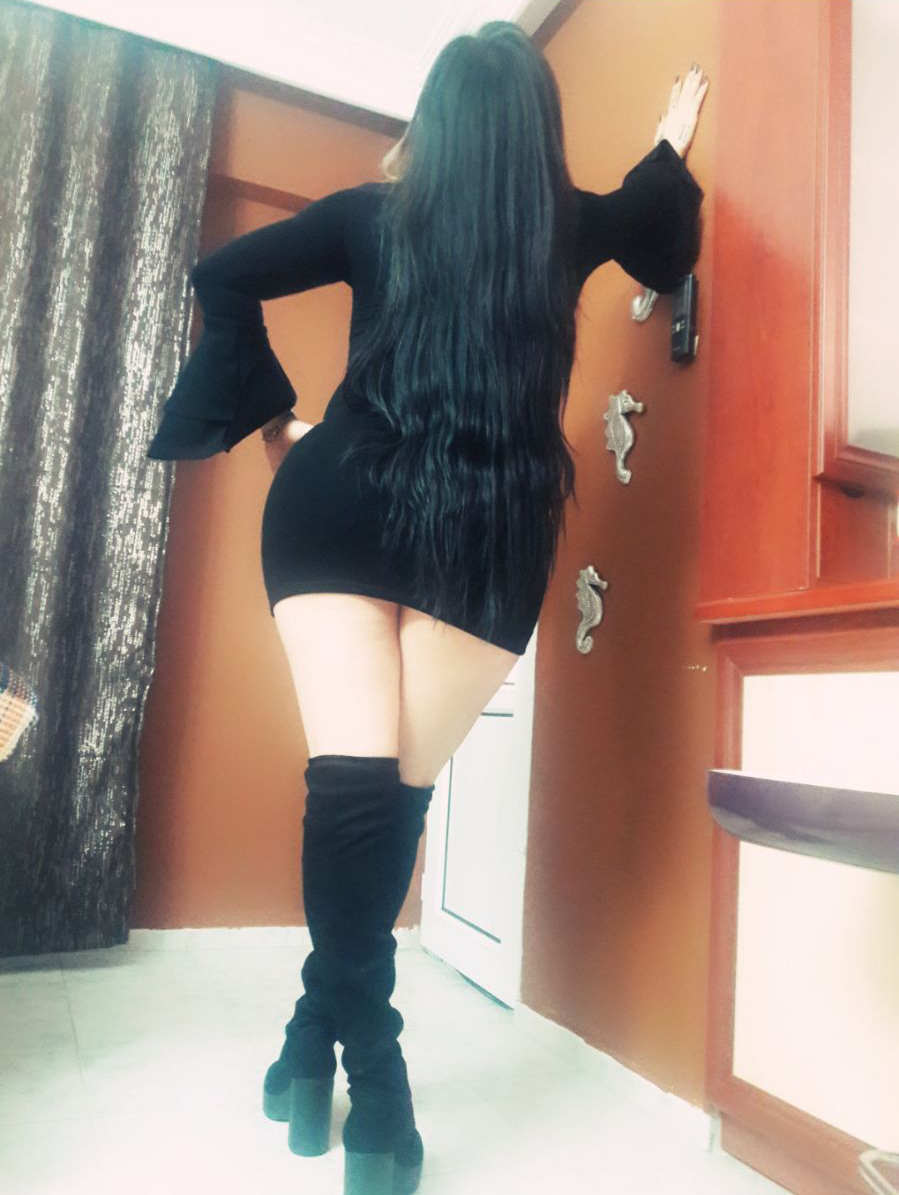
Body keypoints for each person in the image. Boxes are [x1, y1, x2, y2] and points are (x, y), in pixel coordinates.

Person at [146, 21, 707, 1195]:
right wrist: (666, 145)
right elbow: (657, 231)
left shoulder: (373, 214)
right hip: (483, 534)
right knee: (383, 801)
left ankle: (317, 1054)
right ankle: (374, 1077)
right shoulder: (567, 227)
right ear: (534, 132)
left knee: (359, 796)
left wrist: (270, 417)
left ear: (433, 126)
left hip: (336, 501)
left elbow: (221, 275)